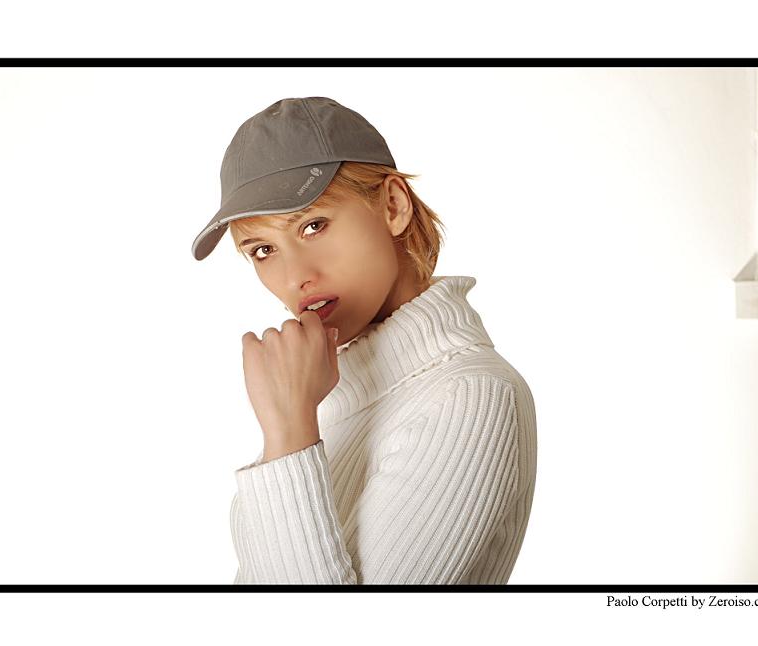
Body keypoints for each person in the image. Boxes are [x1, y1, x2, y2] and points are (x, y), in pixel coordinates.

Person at [191, 97, 537, 584]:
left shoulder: (472, 394)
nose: (293, 277)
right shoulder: (329, 396)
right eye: (263, 250)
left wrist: (288, 430)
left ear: (393, 206)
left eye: (313, 226)